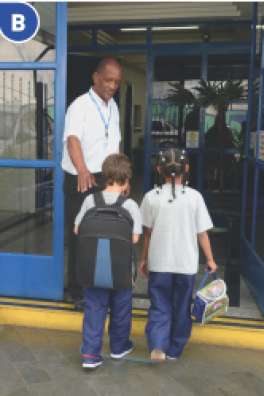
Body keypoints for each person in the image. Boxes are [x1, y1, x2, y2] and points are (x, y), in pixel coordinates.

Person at [139, 148, 217, 361]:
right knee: (182, 308)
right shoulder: (195, 197)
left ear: (158, 170)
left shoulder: (150, 197)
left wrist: (144, 259)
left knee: (159, 306)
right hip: (186, 266)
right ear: (187, 169)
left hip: (159, 264)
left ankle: (157, 346)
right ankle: (174, 350)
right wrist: (210, 259)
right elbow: (202, 234)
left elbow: (147, 233)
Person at [61, 59, 123, 310]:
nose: (112, 86)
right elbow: (72, 139)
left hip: (106, 179)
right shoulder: (80, 105)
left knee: (105, 233)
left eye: (116, 82)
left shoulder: (113, 106)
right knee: (80, 235)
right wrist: (83, 169)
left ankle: (98, 284)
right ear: (96, 77)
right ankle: (77, 291)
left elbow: (114, 143)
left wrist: (120, 176)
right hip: (82, 179)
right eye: (108, 80)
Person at [74, 154, 142, 369]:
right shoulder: (130, 205)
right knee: (121, 309)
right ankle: (119, 348)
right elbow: (134, 238)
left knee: (94, 309)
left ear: (103, 177)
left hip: (92, 268)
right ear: (127, 179)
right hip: (120, 270)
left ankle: (91, 355)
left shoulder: (90, 200)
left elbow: (77, 229)